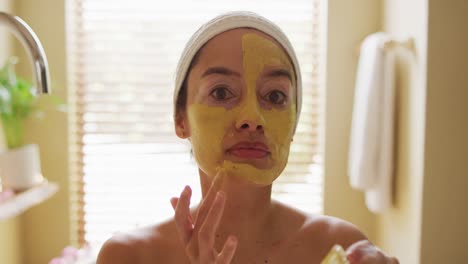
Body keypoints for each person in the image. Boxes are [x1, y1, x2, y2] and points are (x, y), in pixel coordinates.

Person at [97, 12, 399, 264]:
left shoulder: (341, 248)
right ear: (180, 119)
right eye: (221, 92)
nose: (252, 119)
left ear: (293, 125)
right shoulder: (129, 256)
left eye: (275, 95)